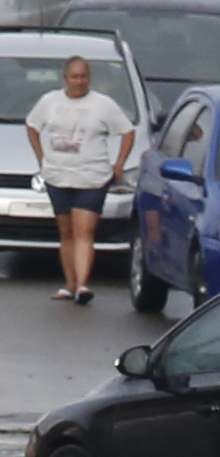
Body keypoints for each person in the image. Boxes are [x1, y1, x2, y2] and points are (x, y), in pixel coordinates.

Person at [24, 55, 133, 306]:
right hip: (58, 175)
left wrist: (119, 164)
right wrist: (42, 157)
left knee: (84, 231)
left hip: (92, 177)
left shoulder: (103, 105)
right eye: (74, 76)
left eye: (84, 76)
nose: (79, 81)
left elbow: (127, 131)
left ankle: (83, 285)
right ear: (65, 78)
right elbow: (32, 126)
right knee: (66, 231)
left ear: (89, 78)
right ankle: (70, 284)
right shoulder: (50, 101)